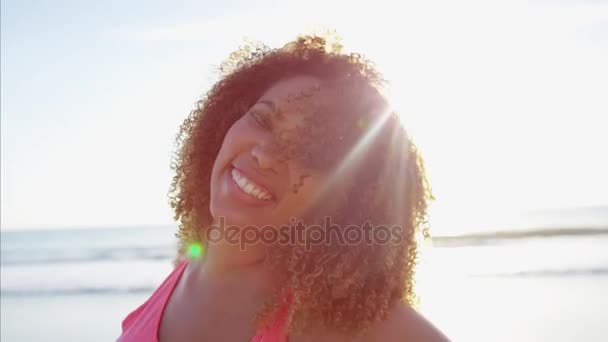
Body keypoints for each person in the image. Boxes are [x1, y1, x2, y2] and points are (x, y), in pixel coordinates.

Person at [117, 32, 449, 342]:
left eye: (309, 154)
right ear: (225, 123)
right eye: (262, 120)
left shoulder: (333, 319)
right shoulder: (185, 267)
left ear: (342, 200)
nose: (264, 155)